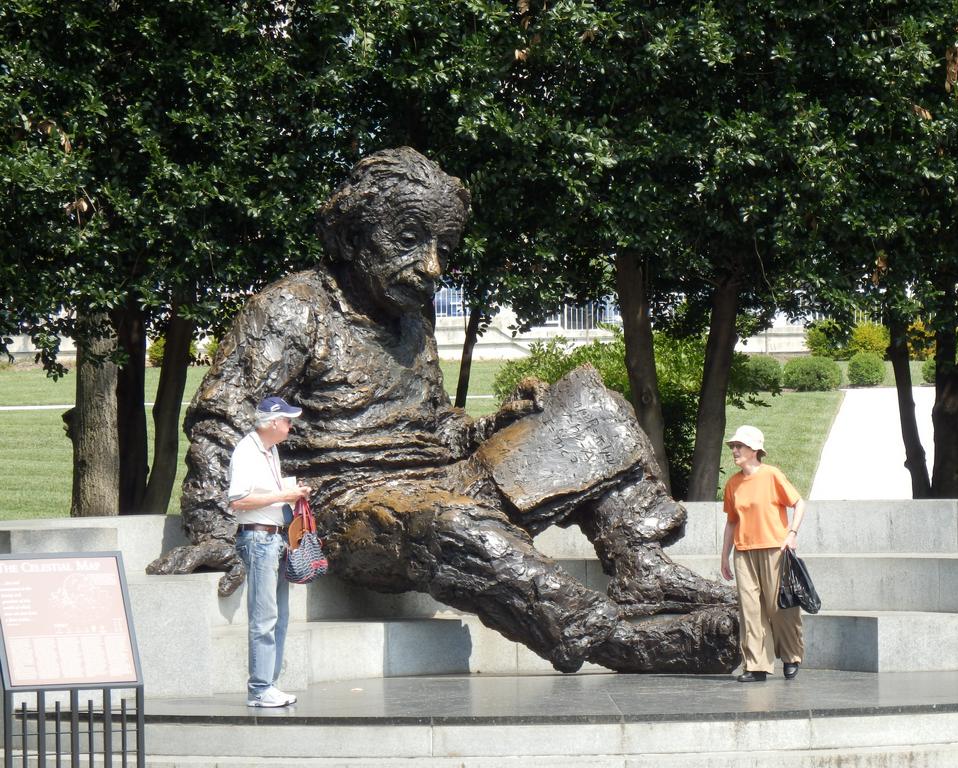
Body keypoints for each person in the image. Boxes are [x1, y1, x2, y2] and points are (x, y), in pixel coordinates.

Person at [149, 147, 739, 675]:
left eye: (443, 249)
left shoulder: (412, 318)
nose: (432, 266)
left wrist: (495, 424)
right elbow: (224, 418)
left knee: (594, 409)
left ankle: (641, 567)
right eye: (409, 238)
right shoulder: (291, 309)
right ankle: (616, 641)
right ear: (354, 237)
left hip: (442, 483)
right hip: (346, 506)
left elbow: (434, 427)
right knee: (451, 525)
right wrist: (218, 528)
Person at [228, 396, 311, 707]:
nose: (291, 426)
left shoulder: (269, 450)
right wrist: (284, 494)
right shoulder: (247, 451)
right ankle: (260, 688)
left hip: (274, 539)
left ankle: (269, 684)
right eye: (288, 420)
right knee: (265, 617)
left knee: (280, 616)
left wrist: (291, 494)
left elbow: (266, 495)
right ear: (273, 423)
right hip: (259, 540)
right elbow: (238, 500)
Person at [719, 425, 806, 682]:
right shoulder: (733, 483)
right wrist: (724, 555)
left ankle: (791, 656)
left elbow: (799, 503)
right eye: (733, 446)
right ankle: (756, 666)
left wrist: (792, 533)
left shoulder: (771, 475)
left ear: (754, 449)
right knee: (750, 610)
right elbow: (732, 521)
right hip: (744, 553)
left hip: (774, 549)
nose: (734, 450)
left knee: (779, 607)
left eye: (740, 446)